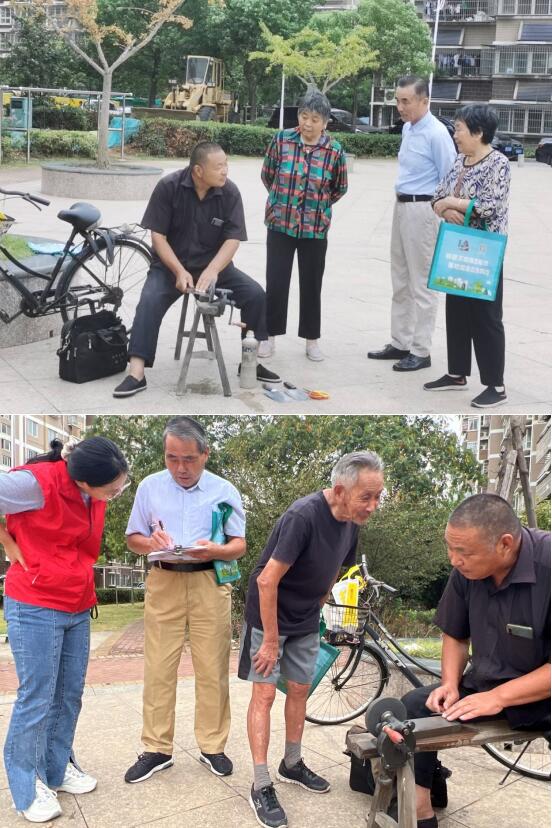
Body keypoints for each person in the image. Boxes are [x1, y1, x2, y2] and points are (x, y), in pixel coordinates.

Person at [238, 451, 385, 828]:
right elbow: (266, 580)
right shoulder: (303, 516)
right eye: (367, 497)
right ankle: (260, 783)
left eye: (377, 496)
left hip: (304, 617)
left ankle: (291, 763)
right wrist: (270, 640)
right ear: (339, 490)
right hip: (269, 613)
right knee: (266, 693)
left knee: (300, 690)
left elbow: (336, 567)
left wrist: (318, 606)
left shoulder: (352, 520)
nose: (373, 505)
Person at [401, 493, 550, 828]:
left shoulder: (548, 565)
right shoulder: (465, 572)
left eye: (463, 552)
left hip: (543, 697)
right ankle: (421, 810)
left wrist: (498, 698)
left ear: (505, 544)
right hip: (485, 683)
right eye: (450, 548)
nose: (453, 560)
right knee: (414, 707)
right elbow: (455, 633)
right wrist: (450, 683)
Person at [1, 436, 129, 823]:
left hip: (77, 600)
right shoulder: (33, 484)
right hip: (35, 602)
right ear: (84, 482)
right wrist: (6, 540)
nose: (119, 492)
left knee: (69, 694)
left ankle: (56, 769)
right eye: (113, 489)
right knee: (37, 697)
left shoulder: (99, 483)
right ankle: (27, 787)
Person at [124, 416, 246, 783]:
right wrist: (151, 543)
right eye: (171, 458)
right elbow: (133, 538)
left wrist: (215, 549)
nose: (180, 468)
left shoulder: (224, 490)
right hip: (164, 582)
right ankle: (157, 749)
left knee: (212, 668)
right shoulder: (149, 487)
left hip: (210, 581)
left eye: (189, 459)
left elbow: (239, 545)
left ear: (205, 453)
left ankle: (212, 746)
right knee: (158, 668)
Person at [113, 141, 280, 397]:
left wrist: (213, 270)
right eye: (219, 166)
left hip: (214, 267)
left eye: (226, 164)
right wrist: (179, 271)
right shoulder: (169, 187)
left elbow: (232, 239)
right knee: (149, 300)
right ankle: (136, 372)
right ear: (198, 171)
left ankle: (250, 362)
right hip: (170, 266)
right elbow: (158, 237)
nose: (225, 171)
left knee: (255, 294)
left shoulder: (230, 192)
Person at [423, 104, 511, 408]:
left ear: (478, 132)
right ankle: (457, 373)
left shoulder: (498, 163)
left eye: (460, 128)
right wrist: (445, 206)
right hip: (457, 248)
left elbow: (489, 206)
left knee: (486, 317)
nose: (455, 134)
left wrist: (451, 201)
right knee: (457, 312)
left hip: (485, 251)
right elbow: (436, 196)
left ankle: (496, 386)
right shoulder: (459, 161)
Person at [368, 76, 456, 372]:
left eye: (406, 101)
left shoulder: (437, 134)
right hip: (402, 206)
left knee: (422, 284)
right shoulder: (408, 129)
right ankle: (400, 342)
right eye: (397, 100)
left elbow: (451, 177)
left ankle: (421, 349)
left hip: (424, 210)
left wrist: (442, 210)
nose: (400, 107)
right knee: (400, 279)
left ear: (424, 101)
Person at [260, 90, 348, 363]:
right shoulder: (282, 140)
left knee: (312, 284)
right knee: (276, 281)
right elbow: (268, 175)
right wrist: (282, 201)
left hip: (314, 228)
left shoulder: (334, 150)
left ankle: (312, 340)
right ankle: (269, 336)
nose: (307, 124)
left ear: (325, 122)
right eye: (303, 116)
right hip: (280, 224)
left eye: (314, 119)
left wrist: (316, 206)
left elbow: (339, 187)